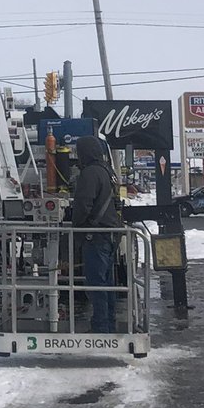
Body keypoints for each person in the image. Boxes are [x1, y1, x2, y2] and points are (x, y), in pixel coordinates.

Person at [71, 135, 120, 334]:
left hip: (96, 234)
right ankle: (109, 322)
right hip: (110, 232)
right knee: (107, 282)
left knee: (96, 281)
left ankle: (100, 326)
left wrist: (77, 227)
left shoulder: (90, 173)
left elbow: (83, 204)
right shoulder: (107, 171)